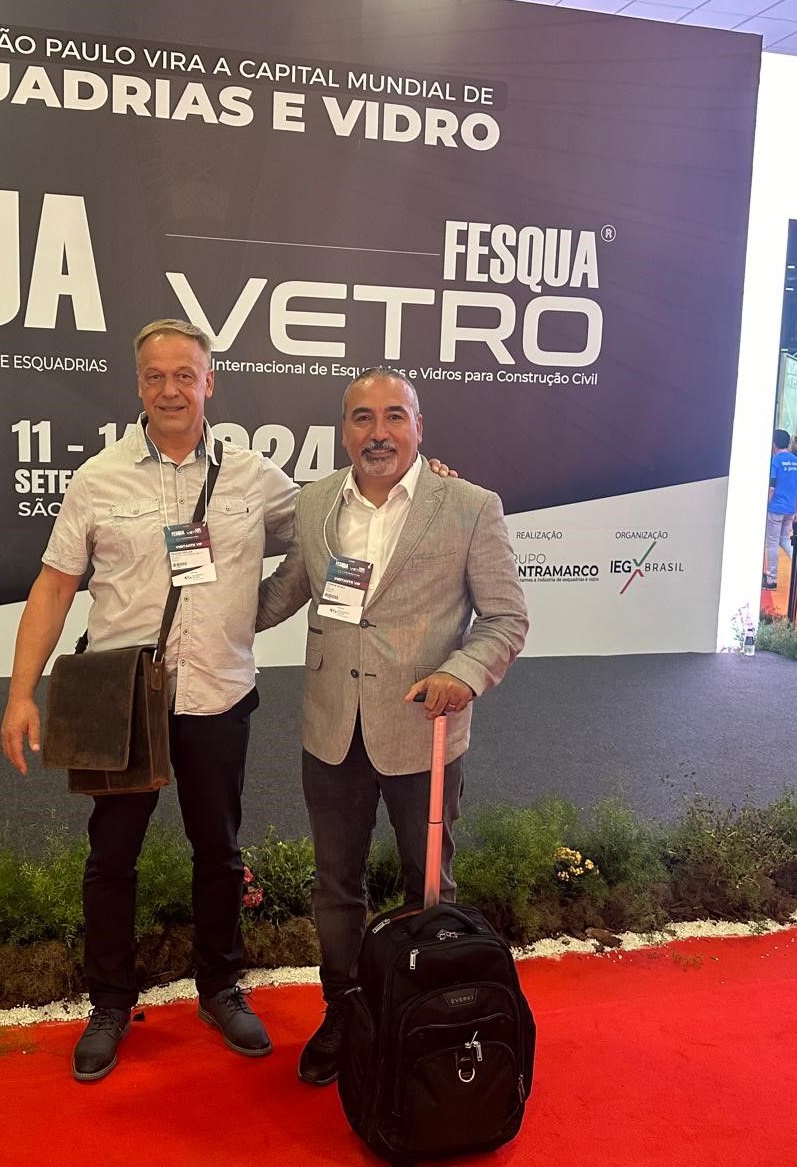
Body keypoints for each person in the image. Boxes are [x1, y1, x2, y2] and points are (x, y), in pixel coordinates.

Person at [0, 318, 301, 1081]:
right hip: (124, 700)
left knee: (219, 852)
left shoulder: (252, 475)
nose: (171, 390)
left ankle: (221, 988)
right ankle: (109, 1002)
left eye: (185, 374)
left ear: (210, 381)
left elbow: (328, 532)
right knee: (112, 859)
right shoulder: (98, 478)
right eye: (156, 376)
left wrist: (258, 612)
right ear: (138, 385)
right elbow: (54, 587)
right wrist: (21, 693)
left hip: (218, 693)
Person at [255, 367, 528, 1089]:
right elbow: (283, 593)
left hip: (422, 729)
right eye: (362, 418)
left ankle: (427, 1012)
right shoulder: (316, 502)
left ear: (418, 426)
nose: (378, 433)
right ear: (344, 430)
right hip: (330, 730)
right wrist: (205, 610)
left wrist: (462, 674)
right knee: (335, 886)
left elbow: (505, 619)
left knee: (427, 885)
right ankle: (344, 1010)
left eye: (393, 417)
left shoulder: (469, 505)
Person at [765, 428, 797, 589]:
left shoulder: (775, 461)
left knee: (772, 542)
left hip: (775, 506)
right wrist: (796, 510)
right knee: (784, 539)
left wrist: (765, 506)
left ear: (773, 443)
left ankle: (771, 579)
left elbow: (772, 487)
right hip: (790, 508)